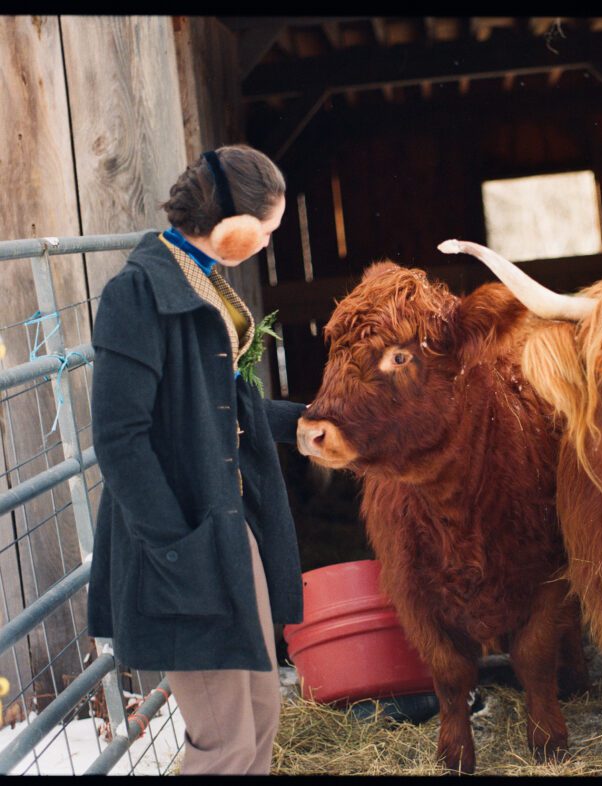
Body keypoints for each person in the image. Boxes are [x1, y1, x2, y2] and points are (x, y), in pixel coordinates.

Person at [87, 145, 307, 775]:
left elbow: (219, 408)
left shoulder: (199, 280)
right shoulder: (137, 294)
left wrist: (307, 424)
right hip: (182, 545)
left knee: (262, 715)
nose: (266, 244)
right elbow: (120, 439)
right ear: (235, 225)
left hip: (226, 529)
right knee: (225, 740)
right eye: (267, 230)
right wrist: (175, 550)